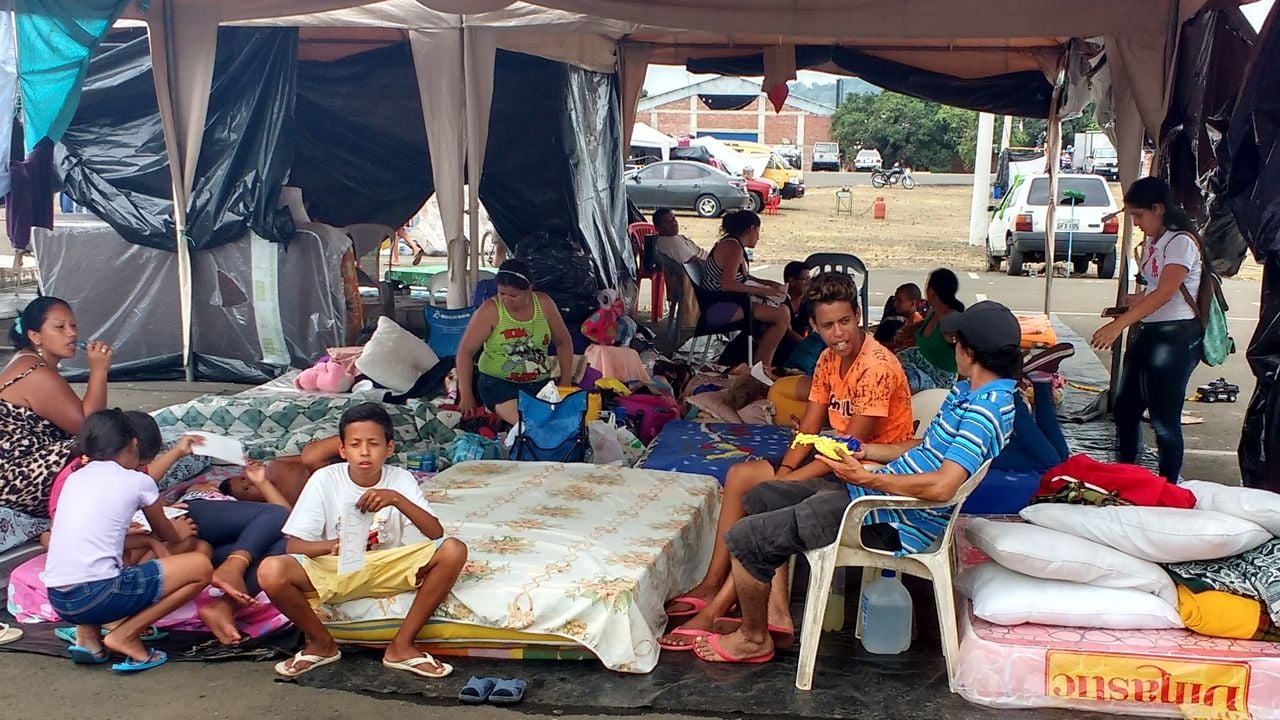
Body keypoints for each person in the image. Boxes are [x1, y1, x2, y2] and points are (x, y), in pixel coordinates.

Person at [690, 301, 1020, 664]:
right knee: (763, 495)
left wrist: (868, 478)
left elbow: (942, 486)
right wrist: (868, 450)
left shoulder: (984, 411)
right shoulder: (967, 392)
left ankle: (753, 638)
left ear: (969, 351)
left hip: (890, 518)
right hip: (874, 493)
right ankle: (773, 613)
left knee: (746, 538)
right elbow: (921, 447)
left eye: (957, 341)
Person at [660, 273, 914, 647]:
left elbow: (849, 447)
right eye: (828, 325)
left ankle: (723, 611)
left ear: (859, 315)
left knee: (767, 501)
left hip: (866, 475)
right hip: (833, 460)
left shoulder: (876, 367)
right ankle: (714, 586)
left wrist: (787, 482)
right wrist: (787, 470)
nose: (839, 333)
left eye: (845, 321)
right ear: (813, 326)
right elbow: (810, 427)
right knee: (741, 476)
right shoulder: (829, 359)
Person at [256, 403, 466, 679]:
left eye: (373, 444)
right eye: (355, 444)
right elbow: (294, 546)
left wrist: (395, 498)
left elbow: (435, 533)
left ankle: (402, 646)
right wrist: (331, 546)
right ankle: (322, 644)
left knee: (453, 549)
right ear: (343, 450)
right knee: (271, 570)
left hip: (385, 567)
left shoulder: (399, 478)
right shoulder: (325, 479)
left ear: (389, 448)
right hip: (335, 568)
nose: (364, 452)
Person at [43, 409, 214, 672]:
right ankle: (126, 635)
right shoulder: (138, 481)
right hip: (99, 595)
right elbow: (166, 532)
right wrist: (178, 531)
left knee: (94, 564)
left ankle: (88, 640)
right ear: (134, 442)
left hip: (60, 599)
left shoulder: (74, 477)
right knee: (200, 566)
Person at [1091, 177, 1204, 483]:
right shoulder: (1156, 241)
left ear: (1158, 208)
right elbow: (1154, 291)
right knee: (1126, 410)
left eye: (1140, 216)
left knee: (1164, 421)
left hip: (1175, 337)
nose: (1137, 224)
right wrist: (1132, 303)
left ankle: (1168, 486)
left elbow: (1166, 292)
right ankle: (1127, 477)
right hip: (1149, 332)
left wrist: (1118, 325)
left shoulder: (1181, 242)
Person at [0, 297, 112, 517]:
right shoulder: (35, 374)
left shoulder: (28, 361)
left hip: (17, 471)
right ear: (35, 336)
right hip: (13, 480)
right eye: (60, 327)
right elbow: (90, 426)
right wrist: (99, 371)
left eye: (73, 325)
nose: (71, 333)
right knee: (109, 442)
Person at [455, 259, 575, 425]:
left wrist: (566, 382)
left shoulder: (544, 304)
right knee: (528, 423)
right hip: (498, 385)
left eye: (513, 295)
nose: (506, 300)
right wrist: (466, 394)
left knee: (562, 421)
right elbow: (465, 352)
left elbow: (563, 342)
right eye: (502, 294)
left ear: (529, 289)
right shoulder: (490, 310)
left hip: (539, 384)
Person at [700, 210, 791, 375]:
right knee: (781, 317)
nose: (758, 237)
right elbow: (728, 284)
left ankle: (761, 365)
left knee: (783, 311)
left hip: (726, 303)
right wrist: (761, 291)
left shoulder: (731, 244)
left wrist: (768, 284)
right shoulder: (733, 247)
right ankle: (761, 370)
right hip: (720, 307)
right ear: (752, 228)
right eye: (758, 231)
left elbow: (742, 277)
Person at [896, 269, 966, 392]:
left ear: (932, 291)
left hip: (936, 382)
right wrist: (908, 329)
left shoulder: (951, 321)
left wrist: (960, 393)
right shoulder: (933, 311)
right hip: (915, 365)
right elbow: (922, 325)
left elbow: (965, 352)